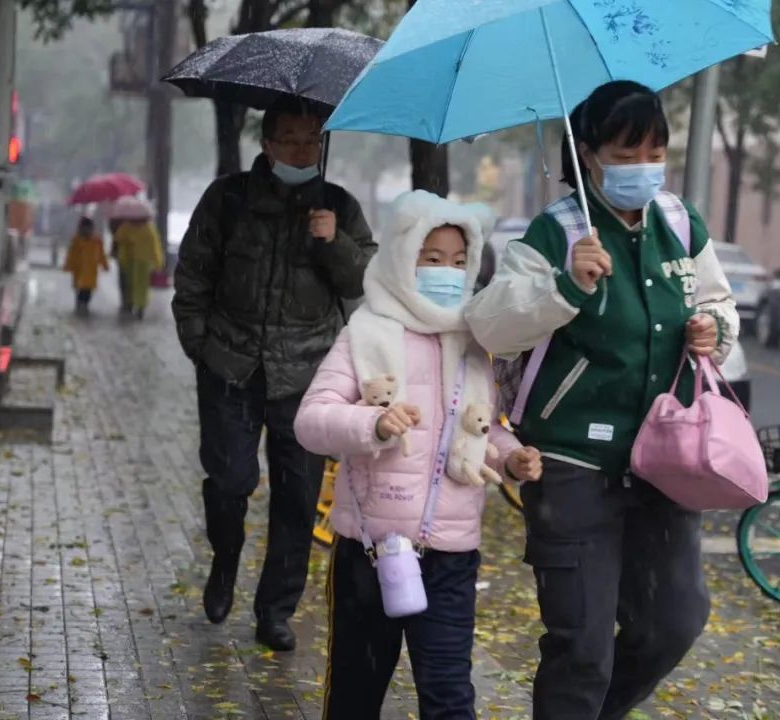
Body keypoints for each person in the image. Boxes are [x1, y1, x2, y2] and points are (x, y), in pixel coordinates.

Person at [464, 81, 739, 720]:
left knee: (674, 622)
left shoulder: (680, 223)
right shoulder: (556, 231)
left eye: (655, 153)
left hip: (666, 462)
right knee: (582, 647)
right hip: (573, 467)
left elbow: (718, 301)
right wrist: (566, 286)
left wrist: (714, 328)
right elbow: (492, 326)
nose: (643, 167)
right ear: (588, 154)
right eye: (625, 153)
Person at [294, 190, 543, 719]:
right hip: (369, 550)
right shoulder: (366, 332)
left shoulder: (475, 339)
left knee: (450, 697)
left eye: (458, 261)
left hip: (451, 554)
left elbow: (481, 427)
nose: (446, 272)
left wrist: (510, 459)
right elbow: (311, 421)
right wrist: (373, 424)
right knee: (355, 697)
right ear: (403, 258)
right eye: (432, 258)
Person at [171, 95, 376, 652]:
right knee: (229, 481)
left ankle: (276, 610)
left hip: (307, 374)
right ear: (266, 143)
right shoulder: (228, 199)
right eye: (290, 139)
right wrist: (200, 347)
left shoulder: (340, 206)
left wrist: (334, 242)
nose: (302, 150)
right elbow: (193, 276)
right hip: (230, 366)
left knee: (297, 497)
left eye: (311, 140)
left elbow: (363, 282)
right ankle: (225, 561)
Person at [115, 217, 164, 320]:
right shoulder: (145, 228)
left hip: (138, 261)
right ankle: (136, 305)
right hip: (133, 260)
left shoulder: (131, 227)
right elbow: (119, 238)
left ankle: (137, 306)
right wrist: (158, 262)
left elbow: (154, 245)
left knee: (138, 285)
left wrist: (158, 262)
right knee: (135, 284)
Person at [63, 217, 109, 317]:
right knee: (80, 289)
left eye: (88, 228)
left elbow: (101, 255)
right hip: (78, 270)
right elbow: (71, 254)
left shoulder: (97, 241)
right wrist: (68, 266)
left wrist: (105, 265)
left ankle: (83, 306)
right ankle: (80, 306)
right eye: (84, 228)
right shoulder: (76, 240)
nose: (86, 231)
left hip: (91, 271)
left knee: (88, 290)